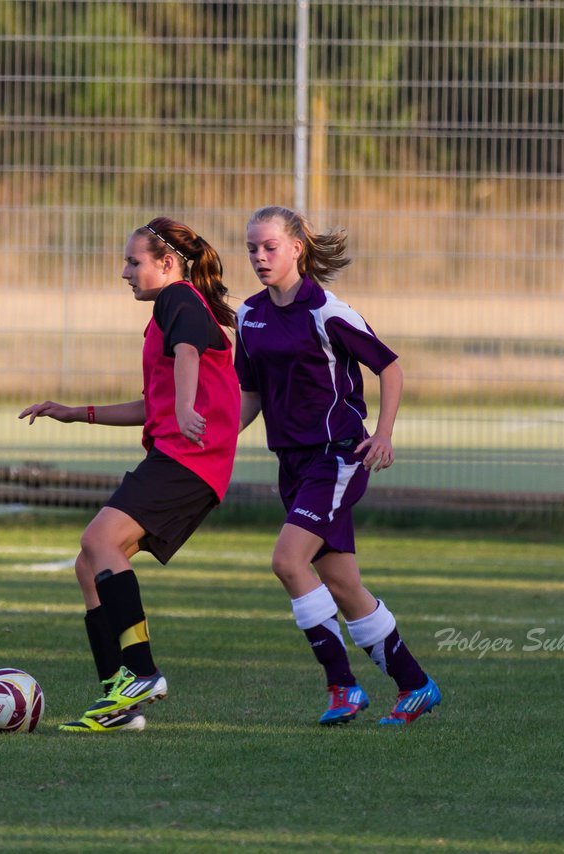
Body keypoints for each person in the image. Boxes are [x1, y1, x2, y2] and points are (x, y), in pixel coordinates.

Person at [19, 217, 239, 733]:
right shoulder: (175, 308)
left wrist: (186, 410)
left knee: (100, 538)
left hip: (189, 459)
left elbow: (187, 356)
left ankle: (142, 673)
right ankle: (119, 704)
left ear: (166, 264)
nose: (124, 272)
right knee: (88, 562)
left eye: (132, 261)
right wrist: (78, 412)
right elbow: (153, 405)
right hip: (183, 459)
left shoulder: (177, 298)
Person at [235, 205, 439, 727]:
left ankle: (342, 686)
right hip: (292, 463)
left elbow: (389, 367)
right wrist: (215, 440)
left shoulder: (328, 311)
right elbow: (251, 396)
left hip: (337, 456)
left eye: (270, 247)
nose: (259, 256)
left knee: (287, 561)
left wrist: (384, 434)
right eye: (252, 248)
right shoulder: (249, 315)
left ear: (297, 247)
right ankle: (415, 684)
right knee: (344, 584)